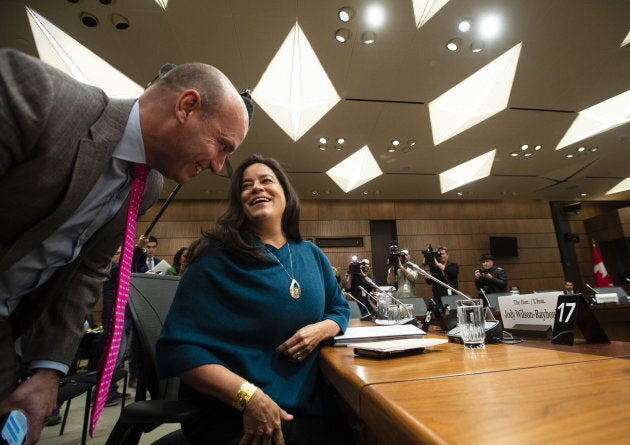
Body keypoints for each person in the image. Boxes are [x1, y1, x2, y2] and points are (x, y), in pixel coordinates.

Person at [0, 48, 251, 443]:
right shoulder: (42, 97)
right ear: (187, 106)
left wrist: (48, 372)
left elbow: (85, 271)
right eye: (222, 145)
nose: (220, 166)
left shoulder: (147, 185)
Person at [156, 155, 353, 445]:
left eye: (266, 181)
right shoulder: (213, 258)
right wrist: (247, 397)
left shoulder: (311, 254)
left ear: (286, 193)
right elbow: (177, 350)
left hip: (307, 405)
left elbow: (339, 308)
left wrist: (323, 328)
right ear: (239, 202)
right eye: (246, 186)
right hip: (237, 412)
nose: (257, 188)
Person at [422, 246, 459, 311]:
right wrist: (427, 267)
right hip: (439, 299)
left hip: (453, 297)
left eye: (443, 254)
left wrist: (438, 264)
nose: (441, 255)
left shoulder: (453, 265)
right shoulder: (434, 268)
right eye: (439, 254)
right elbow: (429, 282)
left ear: (447, 255)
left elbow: (453, 273)